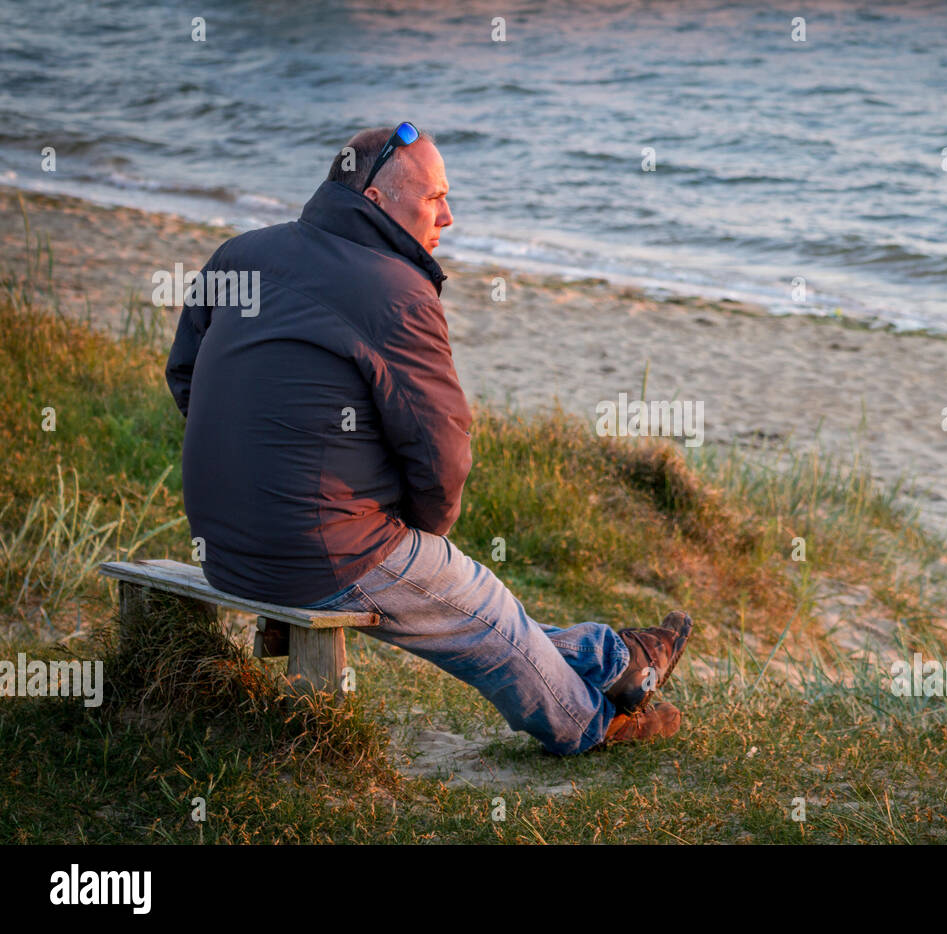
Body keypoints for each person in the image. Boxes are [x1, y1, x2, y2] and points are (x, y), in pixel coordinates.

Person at [164, 123, 691, 754]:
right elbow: (443, 450)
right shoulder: (395, 292)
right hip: (324, 548)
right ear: (378, 201)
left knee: (480, 613)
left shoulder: (239, 252)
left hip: (221, 542)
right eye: (432, 198)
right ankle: (593, 724)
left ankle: (616, 660)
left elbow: (185, 377)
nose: (448, 215)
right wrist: (421, 533)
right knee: (485, 615)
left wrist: (257, 459)